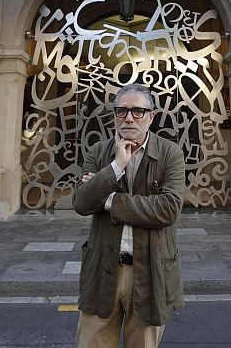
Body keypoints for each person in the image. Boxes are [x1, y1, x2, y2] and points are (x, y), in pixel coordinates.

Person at [73, 83, 186, 348]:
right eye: (121, 111)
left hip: (149, 270)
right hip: (103, 268)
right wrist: (116, 167)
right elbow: (81, 202)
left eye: (138, 111)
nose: (129, 118)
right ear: (114, 115)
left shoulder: (170, 154)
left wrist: (109, 199)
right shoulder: (98, 152)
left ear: (151, 116)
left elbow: (168, 209)